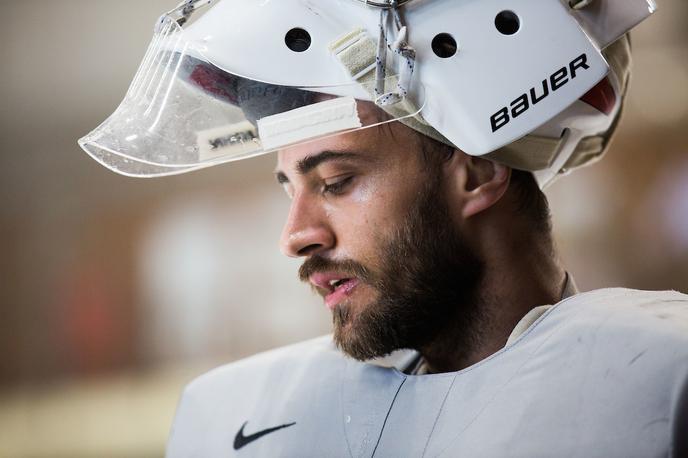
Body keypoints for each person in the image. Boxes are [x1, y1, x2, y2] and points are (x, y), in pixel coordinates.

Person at [80, 0, 688, 456]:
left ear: (476, 173)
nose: (296, 236)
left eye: (337, 181)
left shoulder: (660, 373)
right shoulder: (240, 421)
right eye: (289, 188)